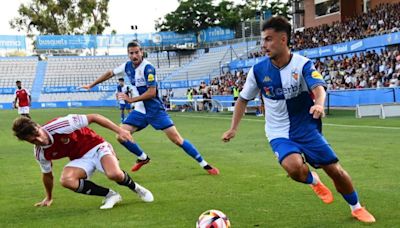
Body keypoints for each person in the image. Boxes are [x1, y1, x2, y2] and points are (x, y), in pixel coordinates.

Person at [222, 16, 375, 223]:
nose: (263, 45)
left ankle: (356, 207)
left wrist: (319, 103)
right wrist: (233, 128)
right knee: (294, 169)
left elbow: (319, 88)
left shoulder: (302, 65)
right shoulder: (258, 71)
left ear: (283, 39)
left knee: (335, 171)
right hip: (277, 131)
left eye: (268, 39)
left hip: (305, 128)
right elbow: (242, 100)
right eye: (263, 40)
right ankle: (313, 180)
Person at [82, 40, 219, 175]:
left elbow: (151, 92)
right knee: (121, 135)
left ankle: (205, 164)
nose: (134, 56)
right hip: (140, 110)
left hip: (155, 110)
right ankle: (143, 158)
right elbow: (110, 73)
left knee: (177, 139)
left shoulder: (148, 68)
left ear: (142, 52)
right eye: (131, 53)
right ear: (128, 54)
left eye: (137, 52)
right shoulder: (127, 66)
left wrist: (131, 99)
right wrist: (92, 85)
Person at [12, 114, 154, 209]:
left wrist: (120, 131)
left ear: (38, 126)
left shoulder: (61, 124)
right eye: (33, 140)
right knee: (66, 180)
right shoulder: (40, 153)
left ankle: (137, 188)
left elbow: (94, 117)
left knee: (114, 174)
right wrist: (48, 197)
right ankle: (111, 195)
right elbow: (47, 174)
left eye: (38, 134)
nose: (40, 140)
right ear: (26, 141)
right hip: (80, 159)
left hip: (96, 146)